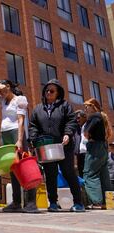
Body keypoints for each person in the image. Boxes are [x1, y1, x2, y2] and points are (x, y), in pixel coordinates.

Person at [0, 80, 39, 213]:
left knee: (23, 165)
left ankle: (31, 202)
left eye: (3, 89)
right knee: (12, 167)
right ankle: (16, 202)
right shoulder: (2, 101)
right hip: (5, 134)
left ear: (9, 87)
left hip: (16, 133)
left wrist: (19, 140)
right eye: (0, 91)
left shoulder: (19, 99)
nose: (1, 92)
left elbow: (20, 120)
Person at [29, 79, 85, 212]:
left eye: (52, 91)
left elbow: (71, 121)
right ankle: (53, 203)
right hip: (47, 146)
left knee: (68, 172)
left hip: (64, 145)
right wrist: (33, 139)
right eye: (47, 90)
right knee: (50, 174)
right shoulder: (38, 108)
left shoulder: (65, 106)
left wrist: (68, 133)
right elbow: (33, 126)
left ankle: (78, 203)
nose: (49, 92)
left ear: (58, 92)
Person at [83, 98, 113, 209]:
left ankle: (97, 202)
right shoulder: (101, 116)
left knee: (89, 174)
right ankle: (108, 201)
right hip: (103, 147)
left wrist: (88, 135)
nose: (85, 108)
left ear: (93, 106)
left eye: (88, 105)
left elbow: (86, 133)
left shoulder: (94, 117)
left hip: (95, 147)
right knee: (103, 174)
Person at [74, 110, 87, 178]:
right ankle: (84, 188)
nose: (77, 120)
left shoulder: (89, 126)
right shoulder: (77, 129)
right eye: (76, 118)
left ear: (84, 117)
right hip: (80, 154)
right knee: (81, 172)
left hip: (88, 153)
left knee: (88, 172)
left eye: (78, 118)